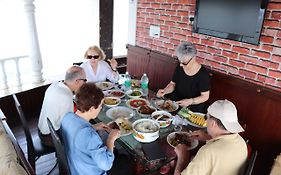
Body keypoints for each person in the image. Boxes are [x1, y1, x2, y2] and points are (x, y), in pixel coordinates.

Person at [174, 99, 247, 175]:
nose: (206, 121)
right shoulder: (241, 141)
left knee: (173, 163)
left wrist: (182, 157)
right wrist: (208, 137)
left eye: (206, 117)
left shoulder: (208, 151)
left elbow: (213, 153)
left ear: (213, 123)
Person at [60, 83, 120, 175]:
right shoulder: (90, 136)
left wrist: (93, 127)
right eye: (100, 106)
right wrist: (110, 140)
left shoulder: (67, 117)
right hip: (87, 171)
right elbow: (106, 165)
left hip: (75, 165)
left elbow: (76, 134)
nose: (101, 108)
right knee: (124, 161)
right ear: (92, 108)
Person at [38, 65, 86, 147]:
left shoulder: (55, 84)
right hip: (50, 137)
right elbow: (69, 124)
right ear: (77, 81)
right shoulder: (65, 96)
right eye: (84, 80)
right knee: (86, 136)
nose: (85, 83)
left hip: (42, 129)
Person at [157, 42, 210, 112]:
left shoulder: (203, 75)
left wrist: (190, 101)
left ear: (193, 57)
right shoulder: (179, 66)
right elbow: (172, 84)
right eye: (180, 61)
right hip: (175, 104)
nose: (181, 65)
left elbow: (205, 96)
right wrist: (165, 91)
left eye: (184, 62)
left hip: (191, 109)